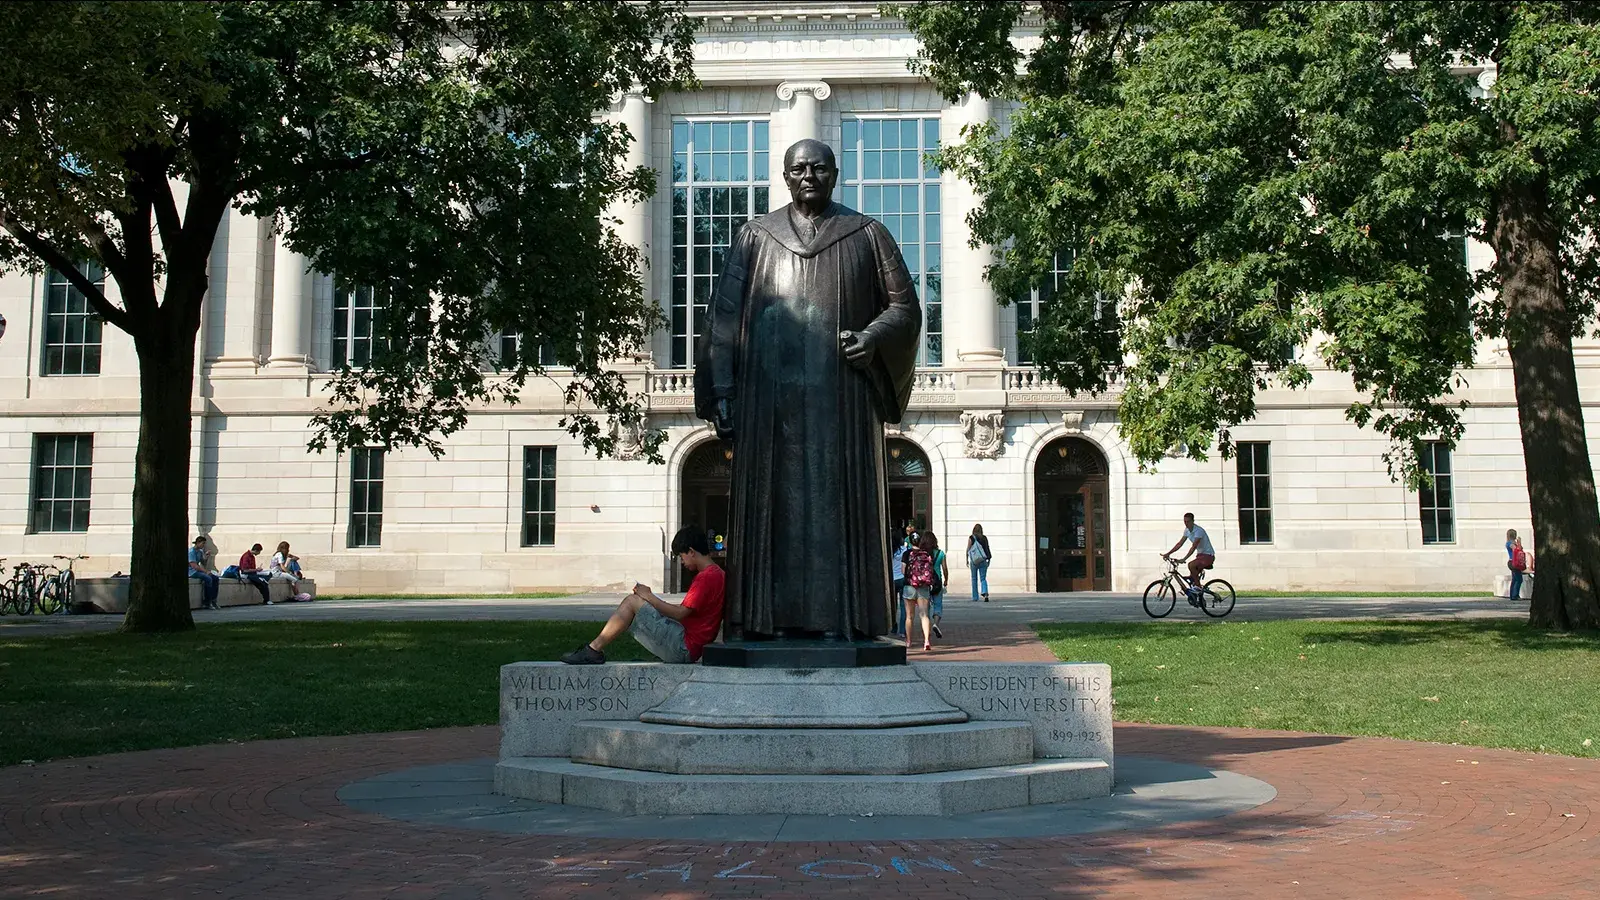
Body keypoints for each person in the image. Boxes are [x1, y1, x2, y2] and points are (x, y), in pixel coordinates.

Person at [695, 138, 922, 640]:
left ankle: (847, 621)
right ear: (784, 176)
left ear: (835, 174)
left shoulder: (867, 234)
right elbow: (724, 317)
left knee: (837, 504)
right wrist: (724, 390)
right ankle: (762, 621)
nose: (809, 177)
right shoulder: (756, 237)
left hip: (842, 400)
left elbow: (905, 309)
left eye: (819, 168)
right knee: (770, 508)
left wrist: (871, 337)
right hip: (766, 404)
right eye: (798, 169)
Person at [562, 526, 726, 664]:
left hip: (684, 648)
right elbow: (687, 613)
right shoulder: (717, 573)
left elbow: (680, 613)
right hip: (692, 646)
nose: (682, 563)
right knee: (638, 603)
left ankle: (593, 650)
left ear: (691, 551)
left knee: (632, 602)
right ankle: (593, 649)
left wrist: (648, 596)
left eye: (681, 557)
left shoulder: (705, 577)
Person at [1165, 512, 1216, 595]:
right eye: (1184, 521)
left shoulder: (1199, 531)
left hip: (1208, 556)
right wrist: (1168, 553)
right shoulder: (1187, 531)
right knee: (1191, 577)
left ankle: (1198, 587)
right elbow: (1180, 544)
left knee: (1191, 565)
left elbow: (1194, 546)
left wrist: (1184, 559)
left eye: (1188, 521)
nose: (1186, 523)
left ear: (1193, 521)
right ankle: (1195, 592)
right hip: (1200, 555)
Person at [902, 532, 936, 651]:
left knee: (909, 616)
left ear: (910, 541)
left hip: (909, 586)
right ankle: (926, 640)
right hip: (923, 587)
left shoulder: (907, 554)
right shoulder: (926, 554)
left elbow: (903, 571)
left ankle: (908, 641)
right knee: (924, 615)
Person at [925, 530, 949, 639]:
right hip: (937, 582)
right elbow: (944, 568)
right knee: (938, 605)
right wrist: (946, 580)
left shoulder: (923, 554)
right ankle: (936, 624)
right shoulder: (940, 553)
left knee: (926, 607)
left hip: (925, 582)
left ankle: (926, 627)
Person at [188, 535, 220, 610]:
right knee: (208, 578)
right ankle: (207, 602)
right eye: (203, 543)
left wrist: (206, 557)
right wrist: (206, 572)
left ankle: (213, 600)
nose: (203, 545)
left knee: (215, 578)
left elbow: (203, 562)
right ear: (198, 543)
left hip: (197, 570)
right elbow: (194, 566)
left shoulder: (200, 551)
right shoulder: (191, 552)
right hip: (191, 572)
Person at [966, 524, 992, 602]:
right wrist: (989, 559)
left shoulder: (971, 538)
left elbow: (968, 549)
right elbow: (987, 548)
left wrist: (966, 559)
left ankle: (975, 597)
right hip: (983, 560)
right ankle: (985, 593)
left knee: (974, 579)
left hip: (974, 561)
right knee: (983, 578)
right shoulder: (984, 538)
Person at [889, 532, 907, 636]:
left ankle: (892, 627)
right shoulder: (904, 550)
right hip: (902, 578)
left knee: (892, 606)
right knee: (903, 606)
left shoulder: (890, 551)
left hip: (892, 579)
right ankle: (902, 630)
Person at [1508, 533, 1532, 600]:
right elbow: (1517, 549)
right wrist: (1519, 542)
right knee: (1519, 579)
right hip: (1515, 562)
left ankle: (1512, 595)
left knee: (1514, 579)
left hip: (1513, 562)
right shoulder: (1510, 543)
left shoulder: (1509, 543)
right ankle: (1515, 595)